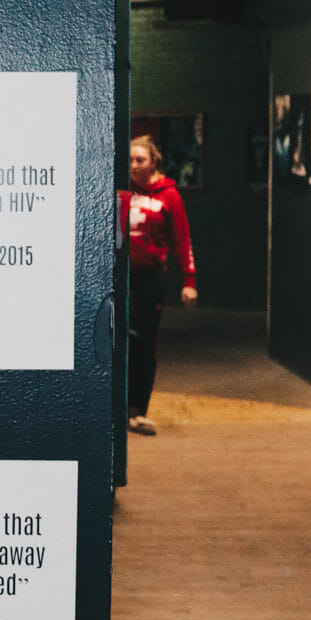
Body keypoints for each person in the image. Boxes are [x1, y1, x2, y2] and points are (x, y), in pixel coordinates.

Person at [119, 134, 198, 435]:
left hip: (151, 278)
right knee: (116, 339)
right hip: (121, 276)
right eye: (129, 160)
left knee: (144, 342)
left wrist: (189, 281)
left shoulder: (169, 196)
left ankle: (137, 410)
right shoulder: (120, 191)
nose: (134, 165)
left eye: (140, 160)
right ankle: (115, 408)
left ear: (153, 162)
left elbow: (182, 241)